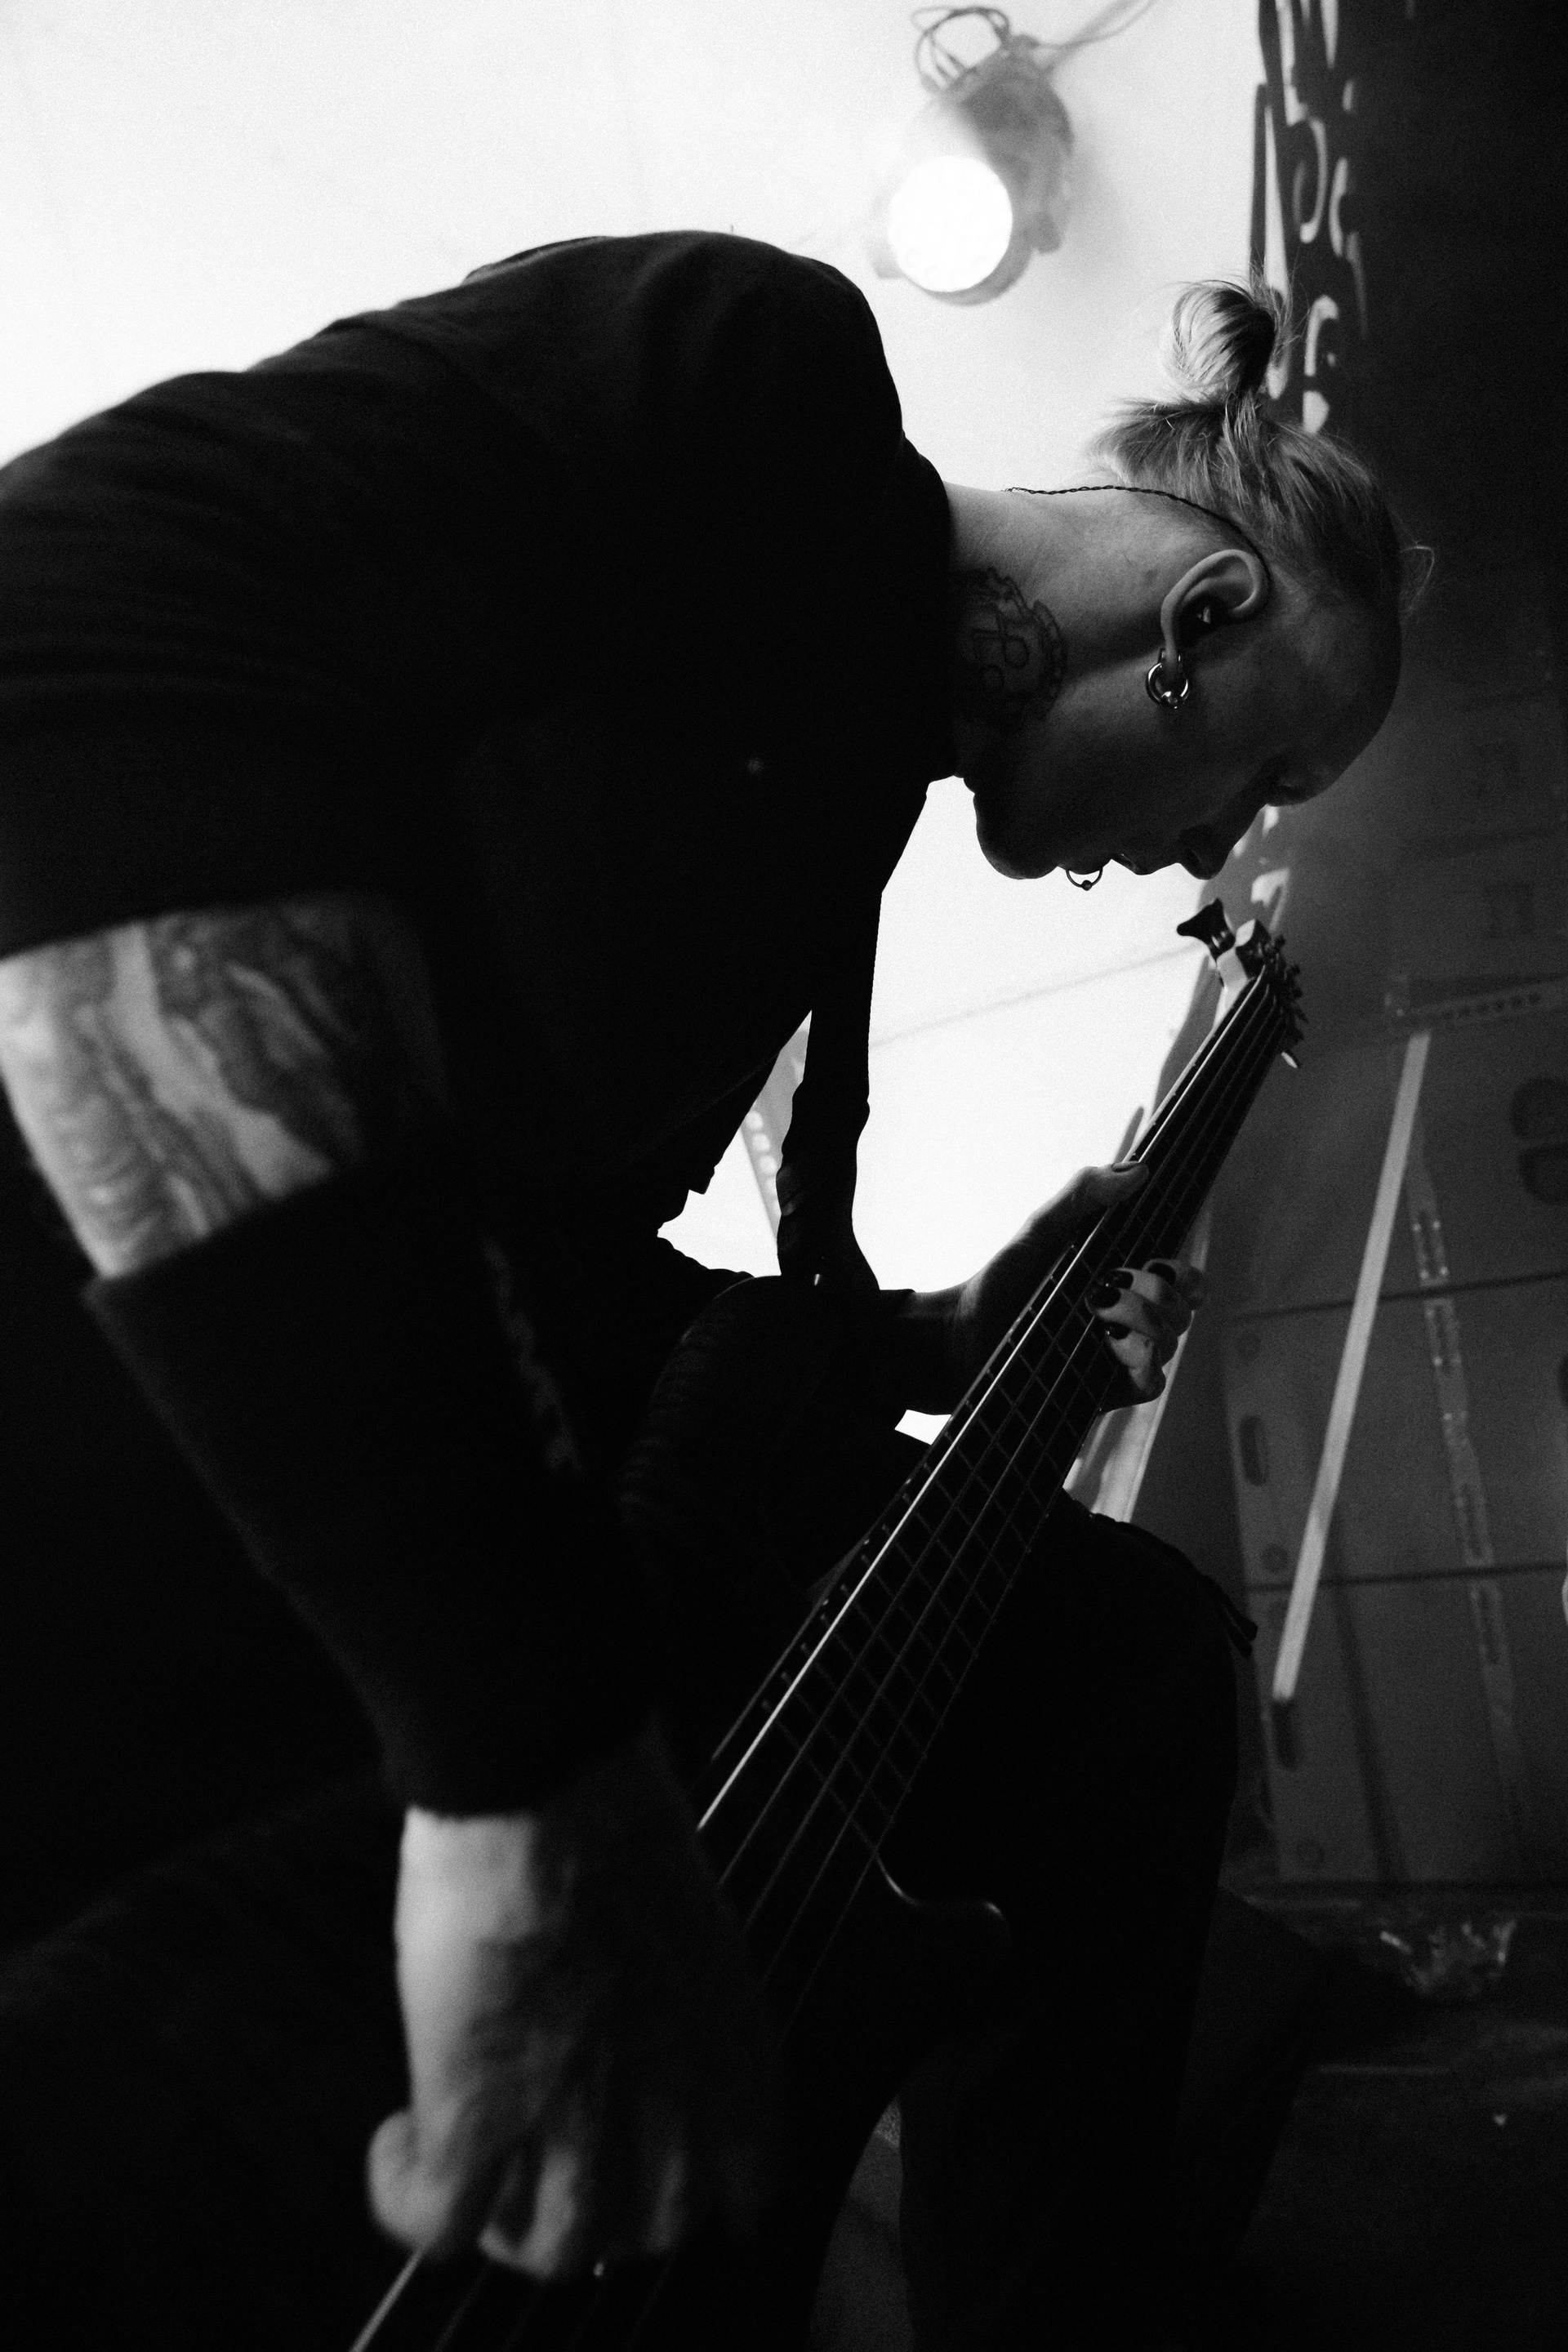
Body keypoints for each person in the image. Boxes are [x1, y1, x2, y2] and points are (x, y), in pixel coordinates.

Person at [0, 232, 1410, 2345]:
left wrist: (949, 1343)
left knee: (1114, 1674)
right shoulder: (766, 389)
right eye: (1270, 780)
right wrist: (524, 1756)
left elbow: (559, 1263)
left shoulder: (842, 804)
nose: (1215, 851)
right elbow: (74, 654)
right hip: (137, 1486)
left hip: (389, 1530)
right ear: (1207, 613)